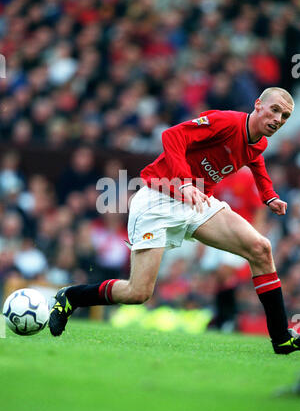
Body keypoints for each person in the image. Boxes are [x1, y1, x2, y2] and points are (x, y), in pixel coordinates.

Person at [49, 87, 299, 355]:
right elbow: (172, 135)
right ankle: (72, 296)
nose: (278, 119)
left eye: (285, 116)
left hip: (198, 202)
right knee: (138, 293)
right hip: (159, 198)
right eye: (274, 110)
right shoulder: (226, 121)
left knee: (261, 249)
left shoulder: (259, 141)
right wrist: (184, 181)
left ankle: (281, 338)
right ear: (258, 105)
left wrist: (269, 195)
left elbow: (255, 160)